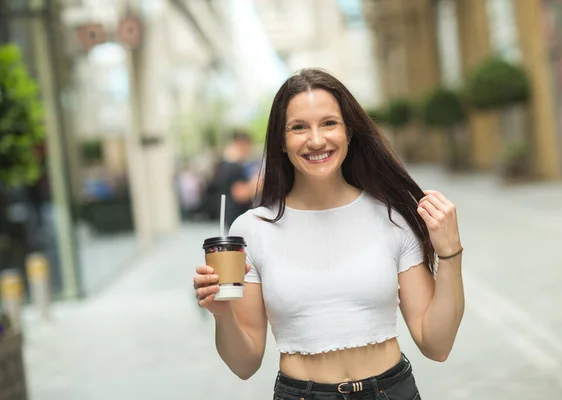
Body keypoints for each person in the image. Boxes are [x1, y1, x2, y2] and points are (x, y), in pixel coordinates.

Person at [193, 69, 465, 399]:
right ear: (281, 140)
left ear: (349, 132)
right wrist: (222, 314)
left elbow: (437, 345)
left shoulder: (392, 216)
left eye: (329, 123)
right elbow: (244, 364)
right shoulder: (252, 229)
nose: (317, 140)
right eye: (299, 127)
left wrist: (450, 255)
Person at [202, 130, 259, 228]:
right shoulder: (233, 166)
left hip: (230, 215)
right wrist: (259, 185)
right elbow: (240, 194)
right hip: (236, 216)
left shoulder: (224, 165)